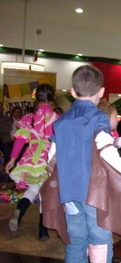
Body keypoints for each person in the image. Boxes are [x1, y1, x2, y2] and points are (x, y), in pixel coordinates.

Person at [50, 65, 121, 262]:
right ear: (102, 92)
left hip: (68, 194)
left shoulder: (60, 122)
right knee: (100, 238)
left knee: (76, 240)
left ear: (72, 92)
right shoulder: (98, 117)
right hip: (94, 192)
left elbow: (51, 157)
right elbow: (106, 148)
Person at [4, 84, 59, 241]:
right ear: (51, 97)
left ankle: (20, 210)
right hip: (49, 157)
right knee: (44, 193)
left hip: (31, 157)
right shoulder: (56, 118)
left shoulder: (29, 118)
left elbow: (20, 141)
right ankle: (42, 230)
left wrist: (12, 159)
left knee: (34, 188)